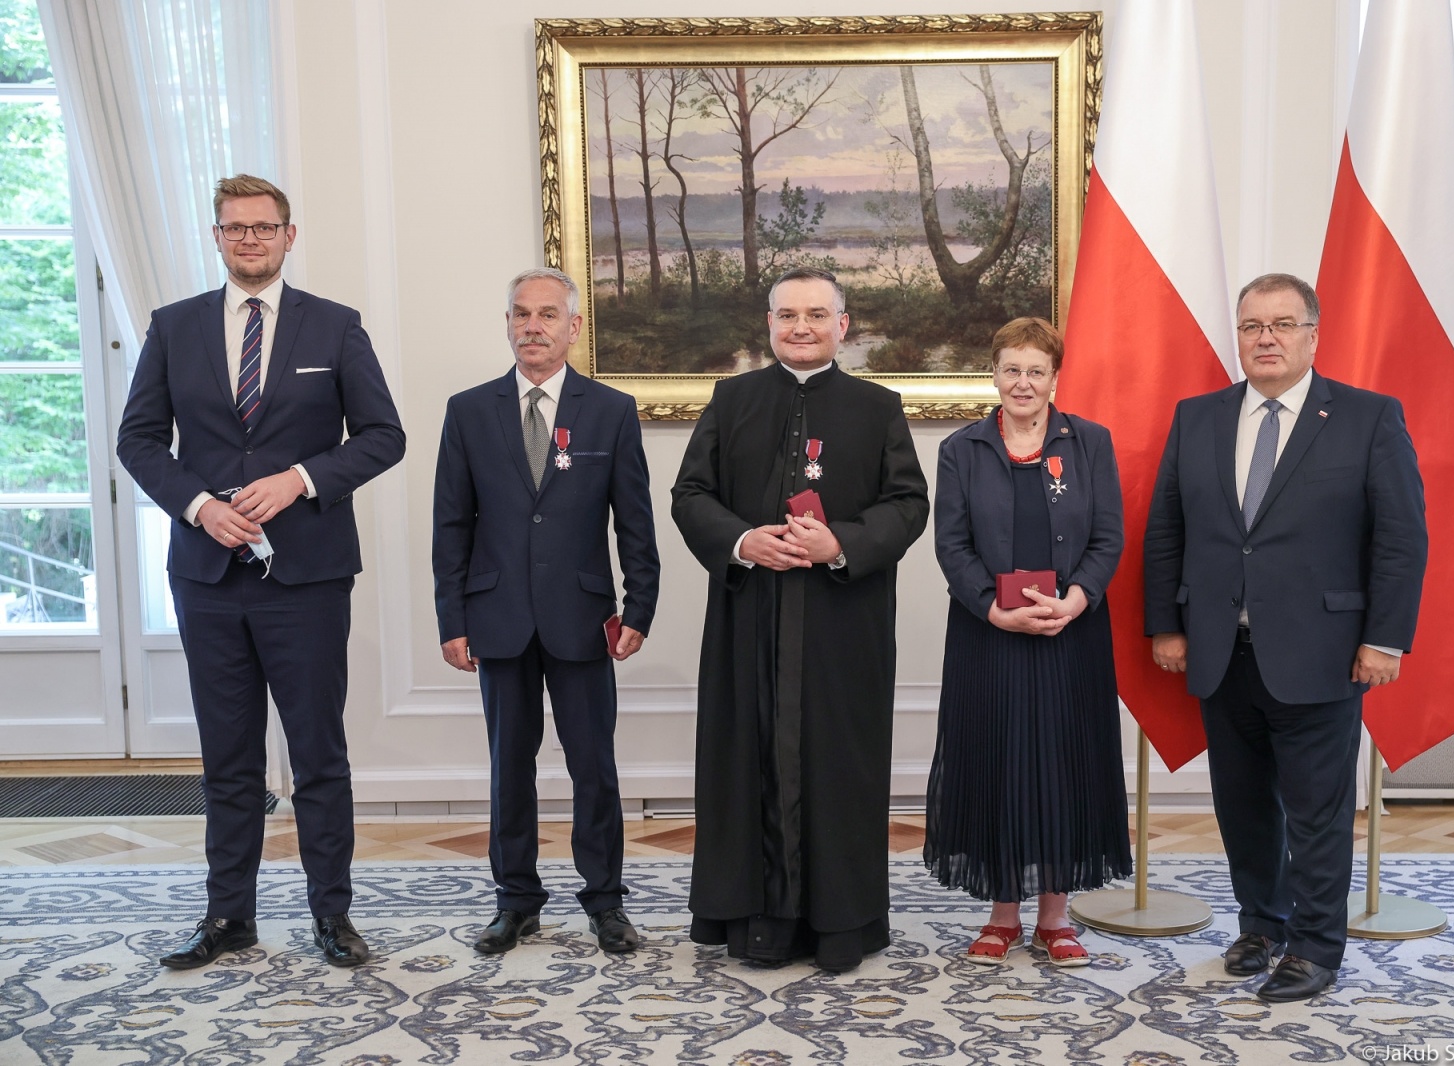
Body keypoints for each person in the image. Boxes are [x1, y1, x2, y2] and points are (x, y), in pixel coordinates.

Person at [117, 174, 405, 969]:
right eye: (235, 227)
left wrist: (300, 480)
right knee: (228, 759)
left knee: (318, 756)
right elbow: (138, 439)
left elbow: (383, 436)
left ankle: (332, 917)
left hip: (308, 578)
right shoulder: (173, 327)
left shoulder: (336, 326)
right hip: (208, 578)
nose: (250, 239)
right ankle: (228, 918)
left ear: (289, 235)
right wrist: (198, 507)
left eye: (264, 227)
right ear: (216, 237)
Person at [1144, 272, 1427, 1002]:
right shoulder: (1198, 416)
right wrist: (1166, 624)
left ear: (1312, 335)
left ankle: (1315, 947)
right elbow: (1167, 528)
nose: (1265, 338)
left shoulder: (1368, 417)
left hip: (1322, 652)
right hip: (1220, 650)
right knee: (1242, 807)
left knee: (1317, 812)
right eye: (1251, 326)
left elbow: (1400, 539)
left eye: (1281, 324)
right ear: (1238, 337)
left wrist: (1385, 639)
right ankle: (1261, 924)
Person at [670, 266, 929, 973]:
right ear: (769, 325)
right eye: (787, 315)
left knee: (838, 767)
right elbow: (690, 493)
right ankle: (753, 925)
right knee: (745, 762)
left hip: (842, 628)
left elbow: (909, 504)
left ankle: (840, 927)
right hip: (749, 617)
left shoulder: (878, 407)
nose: (802, 327)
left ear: (842, 326)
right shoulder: (731, 399)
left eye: (817, 315)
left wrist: (839, 543)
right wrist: (741, 541)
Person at [432, 267, 659, 956]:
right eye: (521, 314)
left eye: (547, 315)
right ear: (507, 323)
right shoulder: (469, 411)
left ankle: (606, 903)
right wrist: (452, 620)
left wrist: (639, 607)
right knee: (510, 766)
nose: (533, 326)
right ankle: (516, 902)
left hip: (582, 618)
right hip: (496, 616)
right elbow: (451, 525)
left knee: (594, 765)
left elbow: (635, 521)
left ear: (573, 327)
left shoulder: (610, 410)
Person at [925, 317, 1131, 966]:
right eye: (1012, 369)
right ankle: (1002, 915)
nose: (1023, 382)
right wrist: (993, 610)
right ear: (994, 374)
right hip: (988, 637)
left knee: (1063, 766)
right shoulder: (961, 449)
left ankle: (1056, 917)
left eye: (1036, 371)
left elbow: (1109, 537)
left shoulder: (1090, 442)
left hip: (1072, 635)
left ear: (1054, 378)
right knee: (998, 766)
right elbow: (951, 546)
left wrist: (1076, 600)